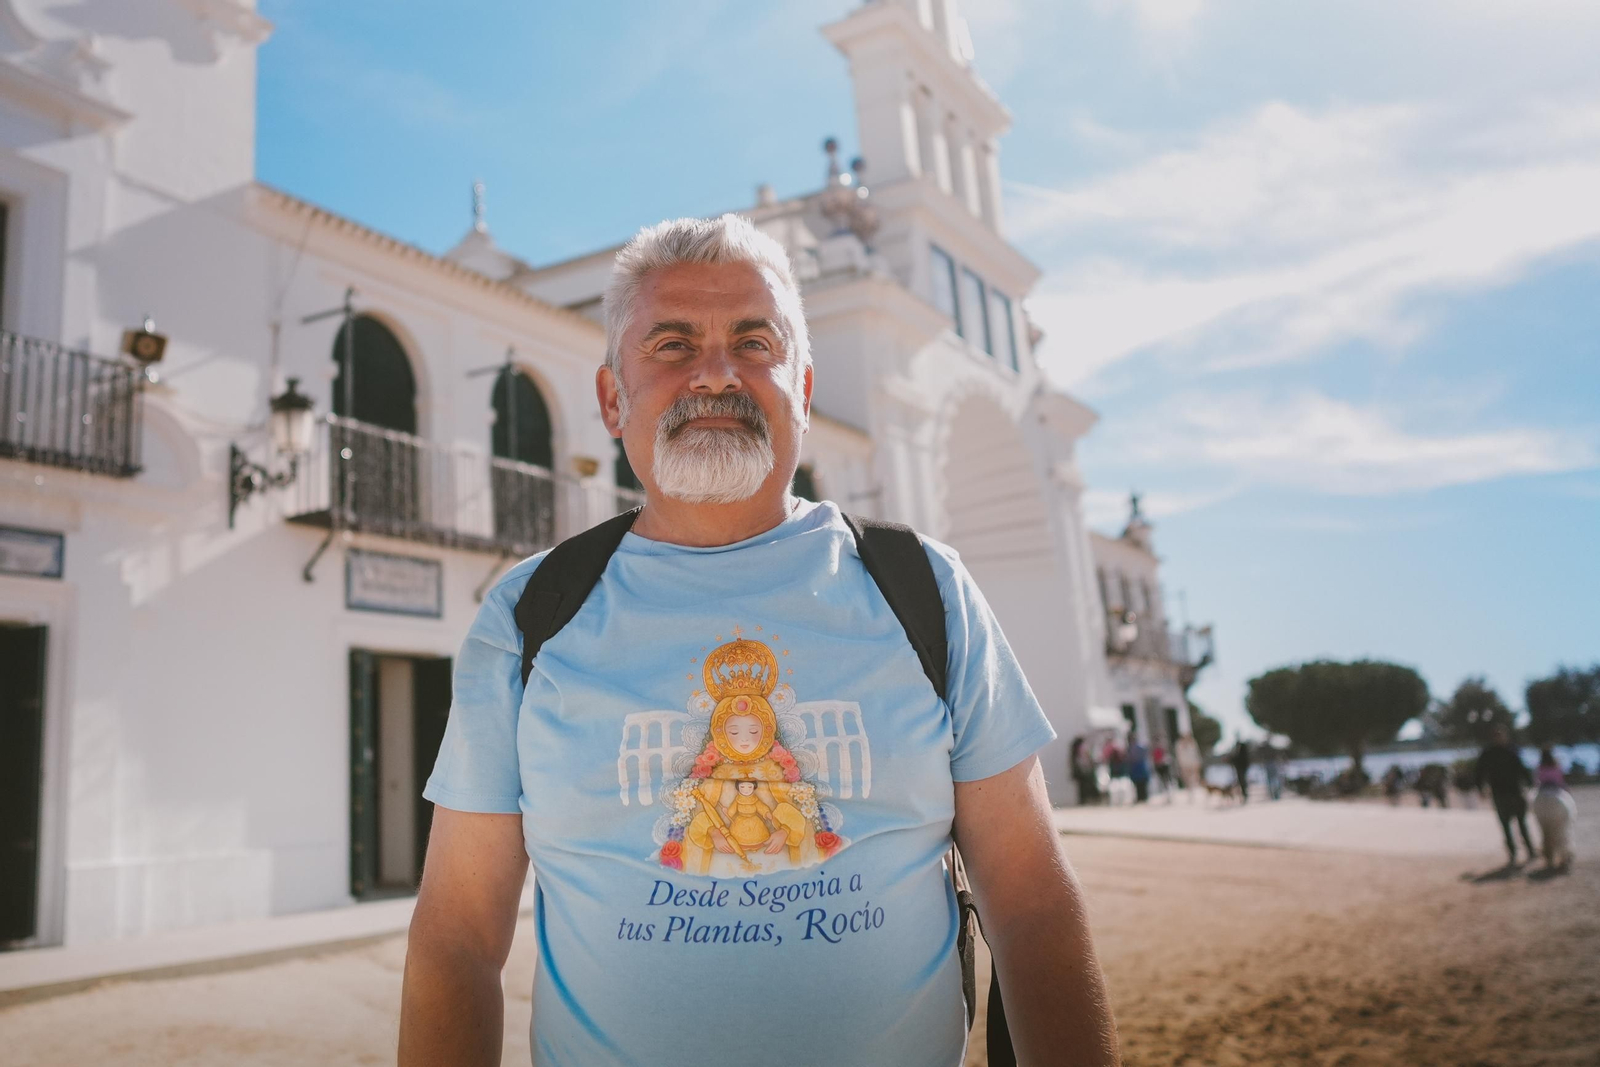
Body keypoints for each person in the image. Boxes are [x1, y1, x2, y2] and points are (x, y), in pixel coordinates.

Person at [398, 215, 1118, 1067]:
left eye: (753, 340)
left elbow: (1031, 902)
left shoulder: (926, 590)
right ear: (609, 399)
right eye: (670, 344)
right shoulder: (528, 618)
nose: (714, 372)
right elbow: (457, 936)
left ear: (804, 389)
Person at [1476, 725, 1535, 866]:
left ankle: (1530, 850)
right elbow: (1479, 772)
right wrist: (1481, 788)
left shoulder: (1512, 750)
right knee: (1506, 826)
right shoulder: (1488, 753)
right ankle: (1513, 853)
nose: (1500, 738)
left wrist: (1530, 783)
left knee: (1522, 824)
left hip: (1515, 792)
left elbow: (1523, 769)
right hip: (1499, 794)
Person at [1530, 748, 1576, 872]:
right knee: (1563, 830)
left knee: (1545, 831)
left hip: (1541, 798)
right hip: (1557, 796)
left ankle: (1549, 857)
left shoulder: (1538, 768)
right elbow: (1561, 782)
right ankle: (1565, 857)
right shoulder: (1557, 766)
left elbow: (1536, 783)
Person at [1175, 732, 1203, 801]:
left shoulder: (1192, 744)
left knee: (1193, 779)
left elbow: (1196, 754)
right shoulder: (1179, 745)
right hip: (1184, 765)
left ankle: (1192, 792)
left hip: (1192, 764)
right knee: (1186, 780)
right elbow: (1179, 757)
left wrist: (1198, 763)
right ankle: (1190, 793)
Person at [1126, 733, 1151, 803]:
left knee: (1141, 784)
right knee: (1138, 784)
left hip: (1139, 767)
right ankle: (1141, 797)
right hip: (1136, 768)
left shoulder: (1137, 747)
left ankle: (1143, 797)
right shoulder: (1132, 748)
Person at [1230, 736, 1252, 802]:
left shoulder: (1242, 747)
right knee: (1240, 782)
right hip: (1238, 767)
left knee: (1243, 781)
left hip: (1242, 767)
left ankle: (1244, 795)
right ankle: (1242, 795)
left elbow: (1245, 758)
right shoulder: (1235, 748)